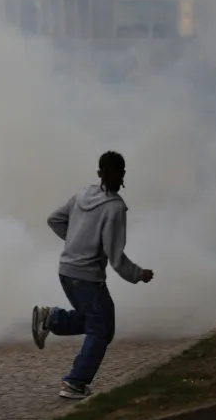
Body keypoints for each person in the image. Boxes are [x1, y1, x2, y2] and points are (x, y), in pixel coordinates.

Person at [31, 151, 154, 400]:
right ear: (123, 174)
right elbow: (115, 256)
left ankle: (51, 319)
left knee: (97, 321)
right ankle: (75, 383)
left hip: (66, 271)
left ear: (99, 172)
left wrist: (75, 242)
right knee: (101, 328)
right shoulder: (115, 207)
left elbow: (54, 220)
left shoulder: (82, 195)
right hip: (86, 277)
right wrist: (139, 274)